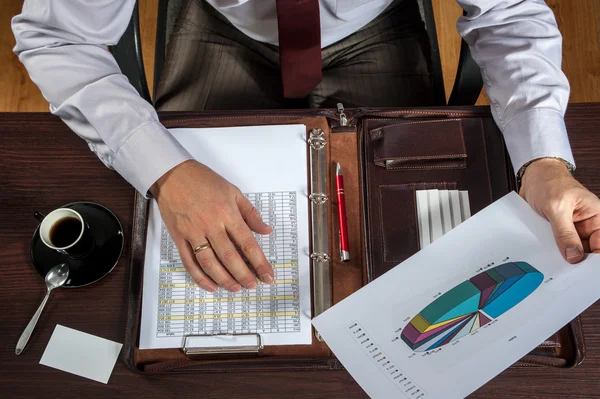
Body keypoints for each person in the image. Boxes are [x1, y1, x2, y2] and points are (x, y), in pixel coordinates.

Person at [12, 0, 600, 294]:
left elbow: (508, 16)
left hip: (369, 26)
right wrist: (166, 172)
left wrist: (543, 161)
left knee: (394, 246)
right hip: (224, 24)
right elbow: (57, 34)